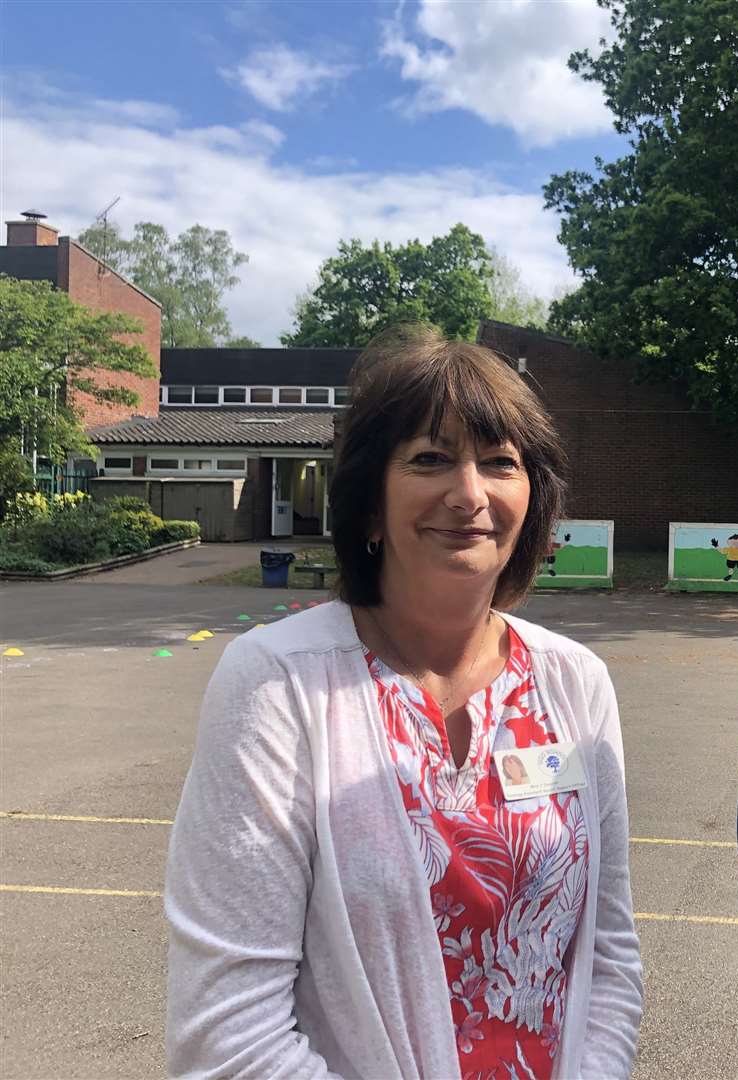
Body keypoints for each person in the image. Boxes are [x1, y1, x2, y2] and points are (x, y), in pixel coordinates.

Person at [166, 324, 643, 1078]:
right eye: (429, 459)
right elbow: (227, 1033)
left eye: (500, 462)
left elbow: (609, 955)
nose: (469, 493)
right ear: (365, 504)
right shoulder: (276, 685)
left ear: (534, 502)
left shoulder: (574, 681)